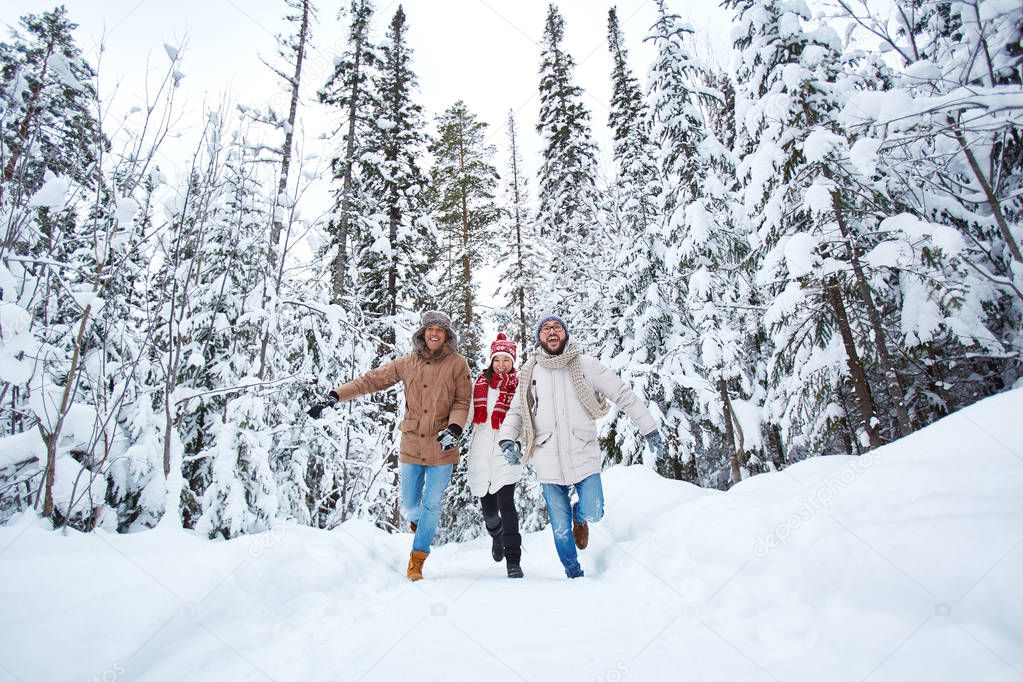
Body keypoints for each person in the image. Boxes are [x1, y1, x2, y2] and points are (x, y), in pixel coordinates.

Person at [307, 310, 471, 581]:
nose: (434, 333)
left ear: (446, 336)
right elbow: (370, 380)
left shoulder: (457, 364)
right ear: (422, 333)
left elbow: (463, 402)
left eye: (440, 330)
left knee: (432, 505)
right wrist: (335, 396)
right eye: (430, 328)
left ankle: (417, 559)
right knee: (409, 505)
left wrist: (454, 428)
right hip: (412, 443)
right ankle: (422, 526)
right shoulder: (406, 363)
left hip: (443, 445)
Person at [497, 314, 664, 579]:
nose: (552, 332)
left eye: (557, 327)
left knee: (595, 508)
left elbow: (622, 393)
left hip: (582, 448)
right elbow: (519, 409)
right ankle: (574, 574)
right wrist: (507, 439)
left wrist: (649, 427)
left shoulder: (586, 365)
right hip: (547, 452)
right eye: (546, 329)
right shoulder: (532, 371)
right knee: (560, 527)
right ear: (539, 337)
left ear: (565, 333)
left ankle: (580, 515)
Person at [466, 333, 524, 579]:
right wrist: (453, 430)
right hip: (481, 450)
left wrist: (517, 443)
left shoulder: (519, 385)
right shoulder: (479, 384)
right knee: (489, 510)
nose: (501, 364)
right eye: (497, 359)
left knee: (507, 504)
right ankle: (495, 533)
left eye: (506, 360)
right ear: (491, 360)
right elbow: (468, 414)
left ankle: (514, 560)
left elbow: (523, 417)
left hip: (506, 450)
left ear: (513, 362)